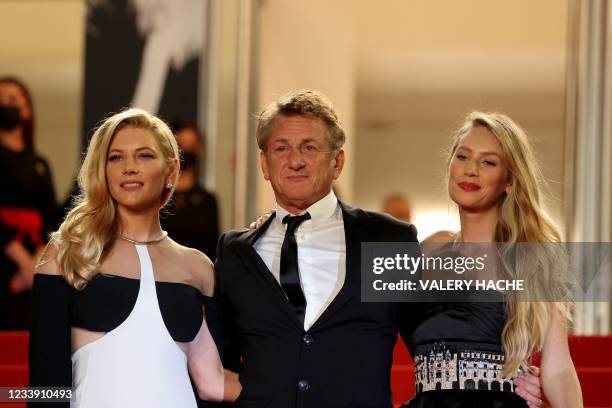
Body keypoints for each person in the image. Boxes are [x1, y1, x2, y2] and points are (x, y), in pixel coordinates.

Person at [214, 90, 543, 407]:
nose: (295, 161)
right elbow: (219, 359)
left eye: (310, 148)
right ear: (264, 163)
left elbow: (436, 332)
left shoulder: (388, 240)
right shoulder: (236, 250)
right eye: (281, 149)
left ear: (338, 161)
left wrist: (503, 379)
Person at [29, 108, 240, 407]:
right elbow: (45, 384)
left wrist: (309, 386)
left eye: (144, 156)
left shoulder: (199, 268)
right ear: (103, 170)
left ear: (171, 171)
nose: (129, 167)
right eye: (116, 157)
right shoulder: (67, 253)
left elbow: (213, 381)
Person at [403, 112, 582, 407]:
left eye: (488, 162)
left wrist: (514, 380)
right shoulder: (429, 250)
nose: (470, 169)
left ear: (508, 181)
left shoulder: (535, 258)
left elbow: (559, 368)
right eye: (462, 157)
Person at [0, 76, 57, 330]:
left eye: (15, 98)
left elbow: (50, 218)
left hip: (35, 264)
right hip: (6, 258)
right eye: (3, 100)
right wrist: (23, 262)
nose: (9, 104)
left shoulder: (40, 163)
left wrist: (34, 265)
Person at [162, 121, 220, 261]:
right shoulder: (158, 197)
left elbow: (214, 246)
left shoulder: (207, 199)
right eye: (181, 145)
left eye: (192, 146)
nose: (187, 151)